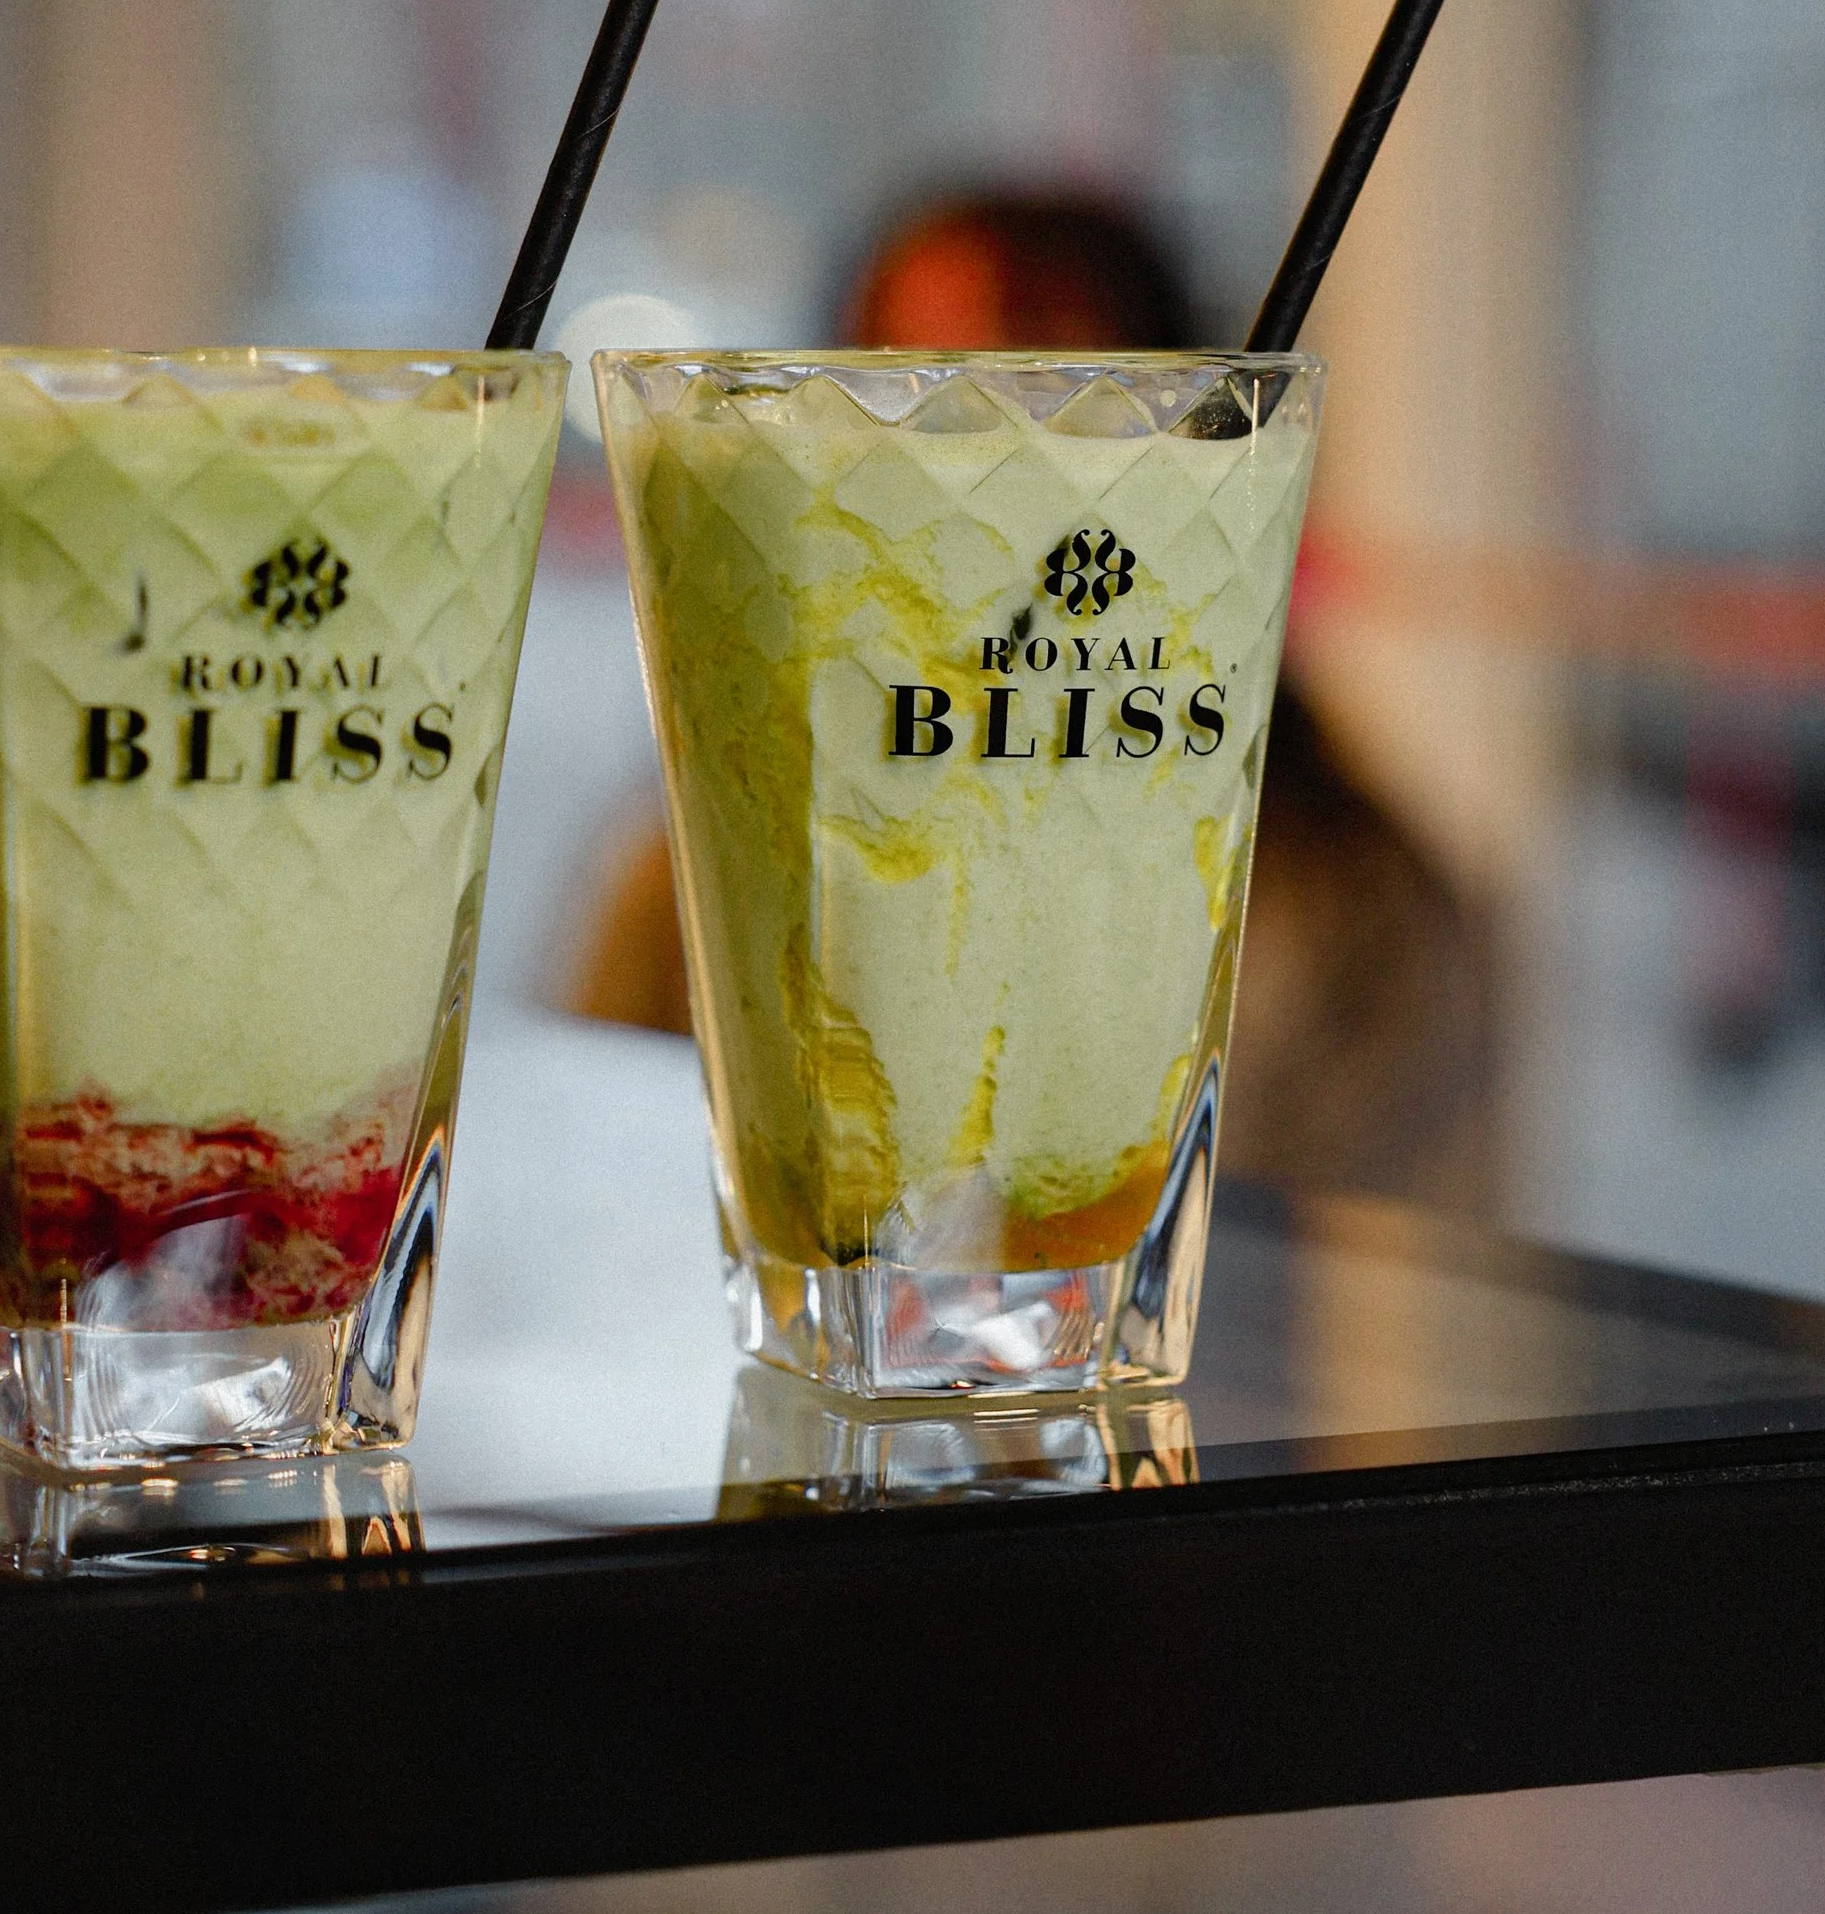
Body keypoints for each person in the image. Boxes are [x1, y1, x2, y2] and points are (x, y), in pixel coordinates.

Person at [568, 188, 1494, 1215]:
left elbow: (1349, 1266)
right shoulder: (696, 877)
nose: (959, 475)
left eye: (1037, 393)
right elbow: (612, 1176)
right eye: (896, 397)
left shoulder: (1349, 910)